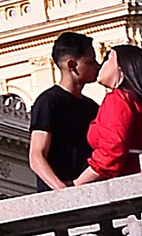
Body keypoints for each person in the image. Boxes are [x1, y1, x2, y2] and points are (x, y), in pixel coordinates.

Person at [77, 42, 142, 184]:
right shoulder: (140, 102)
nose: (101, 64)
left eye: (108, 57)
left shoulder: (118, 99)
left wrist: (78, 183)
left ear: (121, 66)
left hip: (125, 179)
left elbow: (111, 150)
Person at [28, 32, 102, 191]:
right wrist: (62, 190)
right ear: (72, 65)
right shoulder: (48, 102)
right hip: (61, 197)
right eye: (90, 62)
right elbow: (36, 156)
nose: (97, 66)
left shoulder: (92, 107)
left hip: (90, 191)